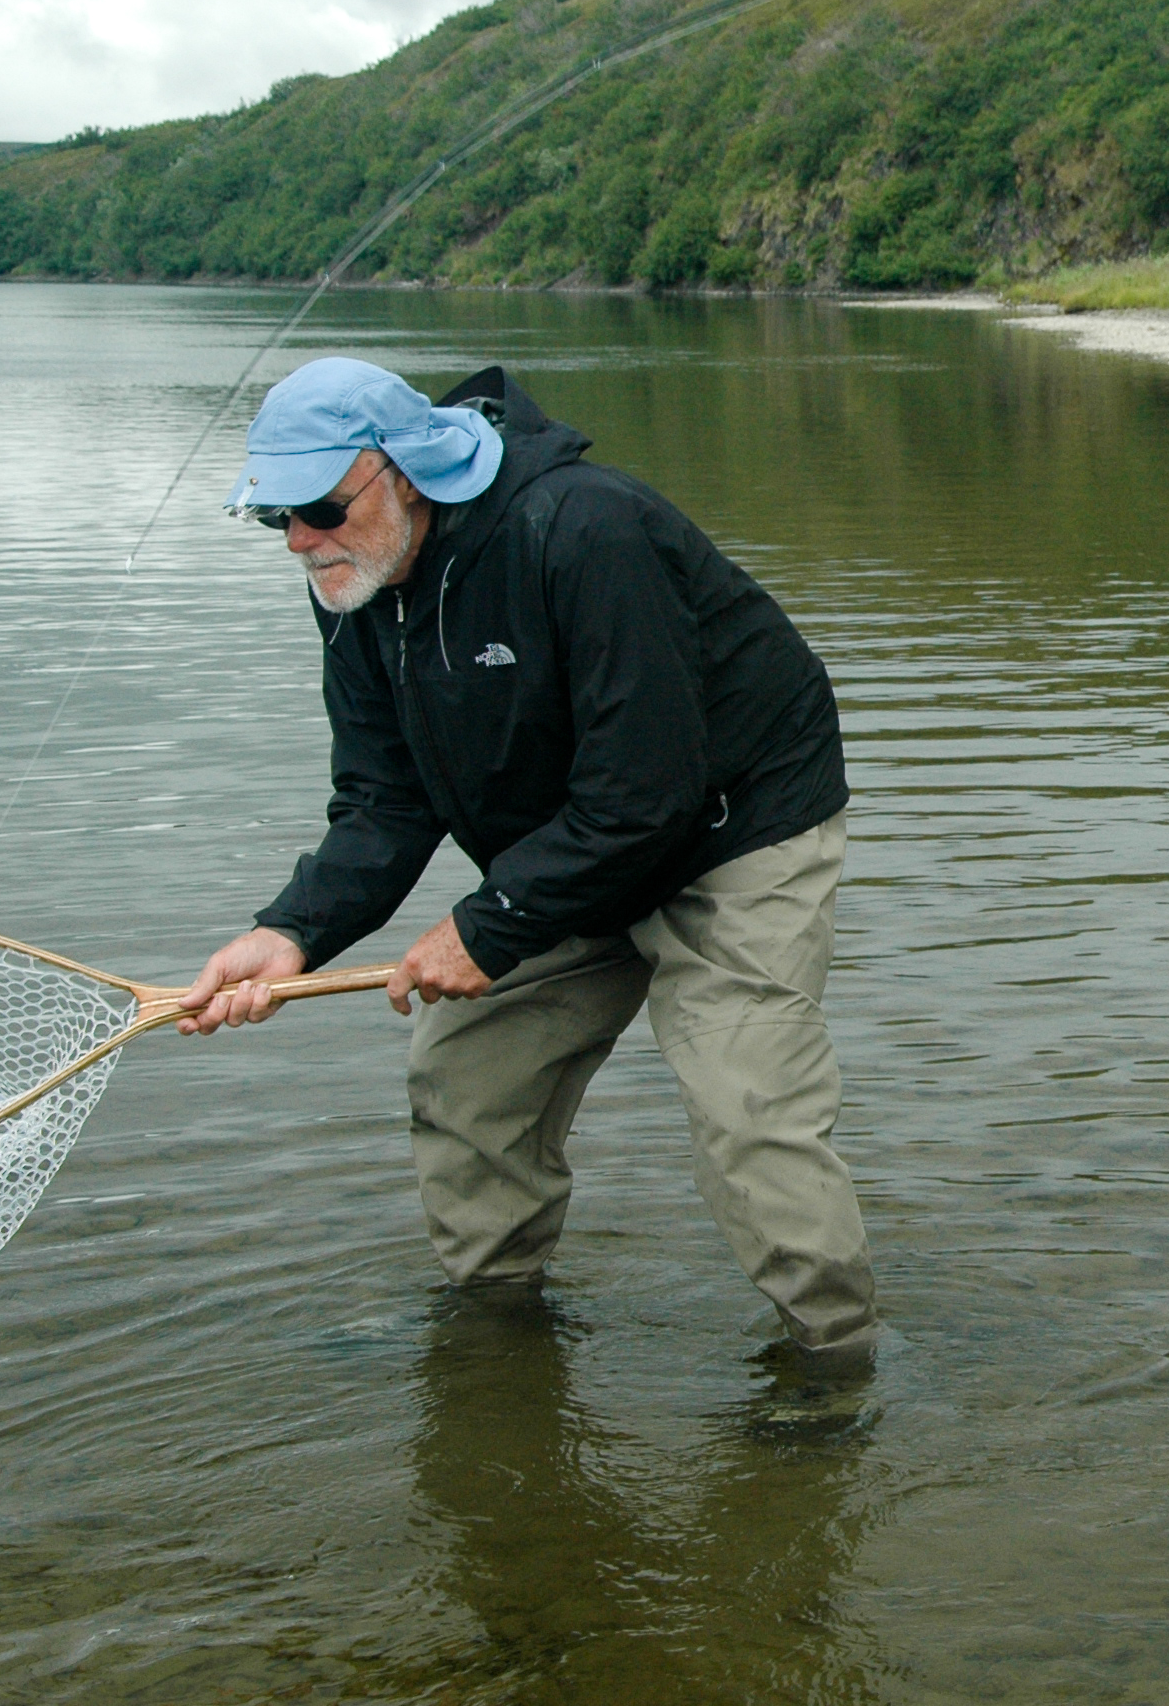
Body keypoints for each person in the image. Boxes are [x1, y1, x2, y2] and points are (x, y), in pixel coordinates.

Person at [181, 356, 878, 1360]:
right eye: (272, 517)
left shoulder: (583, 528)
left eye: (319, 507)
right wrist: (289, 930)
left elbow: (648, 789)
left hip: (735, 827)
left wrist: (488, 923)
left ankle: (834, 1364)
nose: (299, 539)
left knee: (745, 1102)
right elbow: (384, 798)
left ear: (402, 473)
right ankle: (499, 1326)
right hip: (570, 843)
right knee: (466, 1070)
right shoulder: (356, 579)